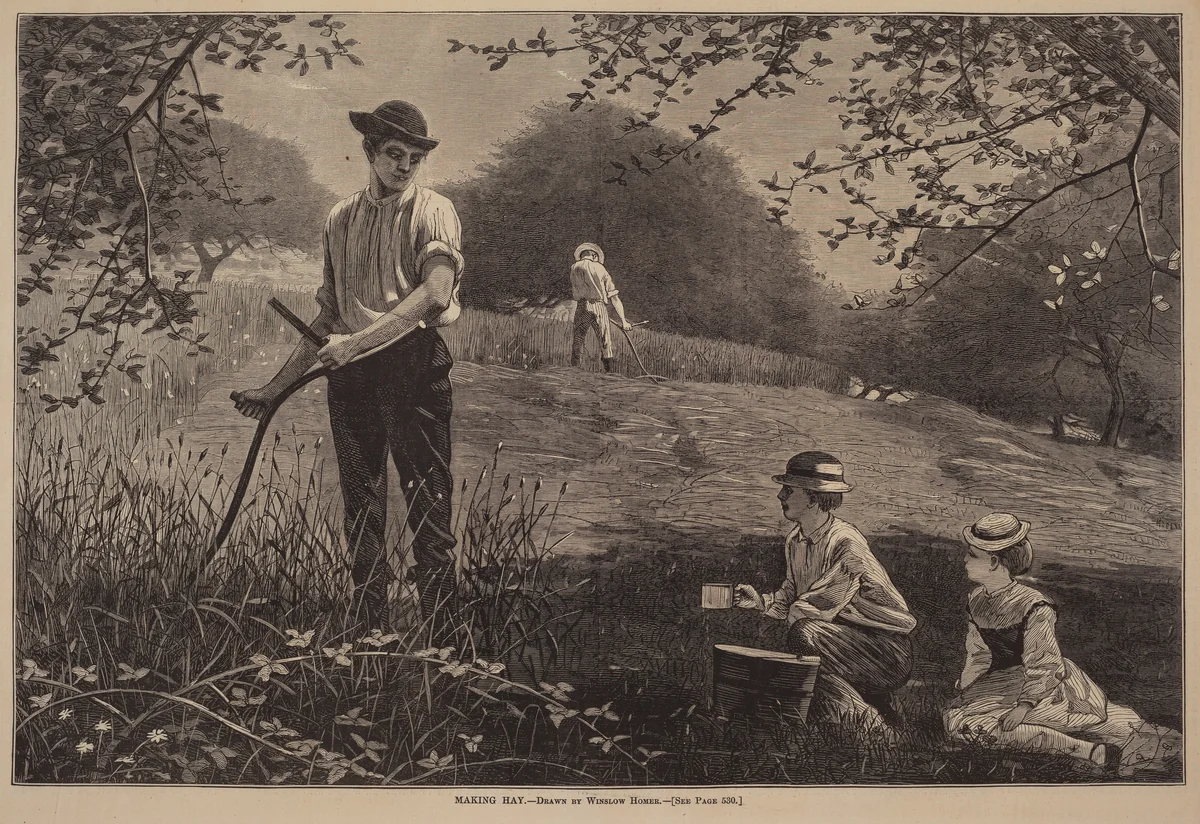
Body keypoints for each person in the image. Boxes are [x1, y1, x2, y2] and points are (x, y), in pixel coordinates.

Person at [232, 100, 463, 638]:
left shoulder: (434, 210)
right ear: (370, 152)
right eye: (393, 154)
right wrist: (274, 388)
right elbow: (328, 316)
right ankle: (367, 633)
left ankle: (447, 637)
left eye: (413, 157)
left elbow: (435, 293)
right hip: (353, 375)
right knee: (361, 503)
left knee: (428, 500)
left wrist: (356, 343)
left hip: (414, 363)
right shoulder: (340, 218)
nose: (404, 167)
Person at [945, 513, 1182, 774]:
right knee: (957, 721)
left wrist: (1025, 706)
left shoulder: (1033, 604)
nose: (965, 559)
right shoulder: (977, 599)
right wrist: (967, 688)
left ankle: (1092, 752)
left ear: (993, 561)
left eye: (972, 554)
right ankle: (1098, 745)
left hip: (1041, 684)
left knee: (972, 726)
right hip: (1000, 682)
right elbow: (978, 654)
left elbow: (1044, 661)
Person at [734, 451, 916, 724]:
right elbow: (791, 593)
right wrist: (760, 602)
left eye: (788, 489)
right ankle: (875, 717)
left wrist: (793, 619)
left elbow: (820, 606)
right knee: (810, 657)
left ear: (814, 497)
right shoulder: (795, 540)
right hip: (841, 642)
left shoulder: (846, 541)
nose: (780, 496)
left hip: (886, 651)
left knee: (805, 634)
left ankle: (867, 720)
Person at [569, 243, 632, 372]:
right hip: (598, 306)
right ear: (594, 255)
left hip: (581, 307)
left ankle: (573, 371)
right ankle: (609, 373)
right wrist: (624, 321)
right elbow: (614, 297)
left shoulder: (574, 268)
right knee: (605, 341)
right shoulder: (600, 268)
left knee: (578, 339)